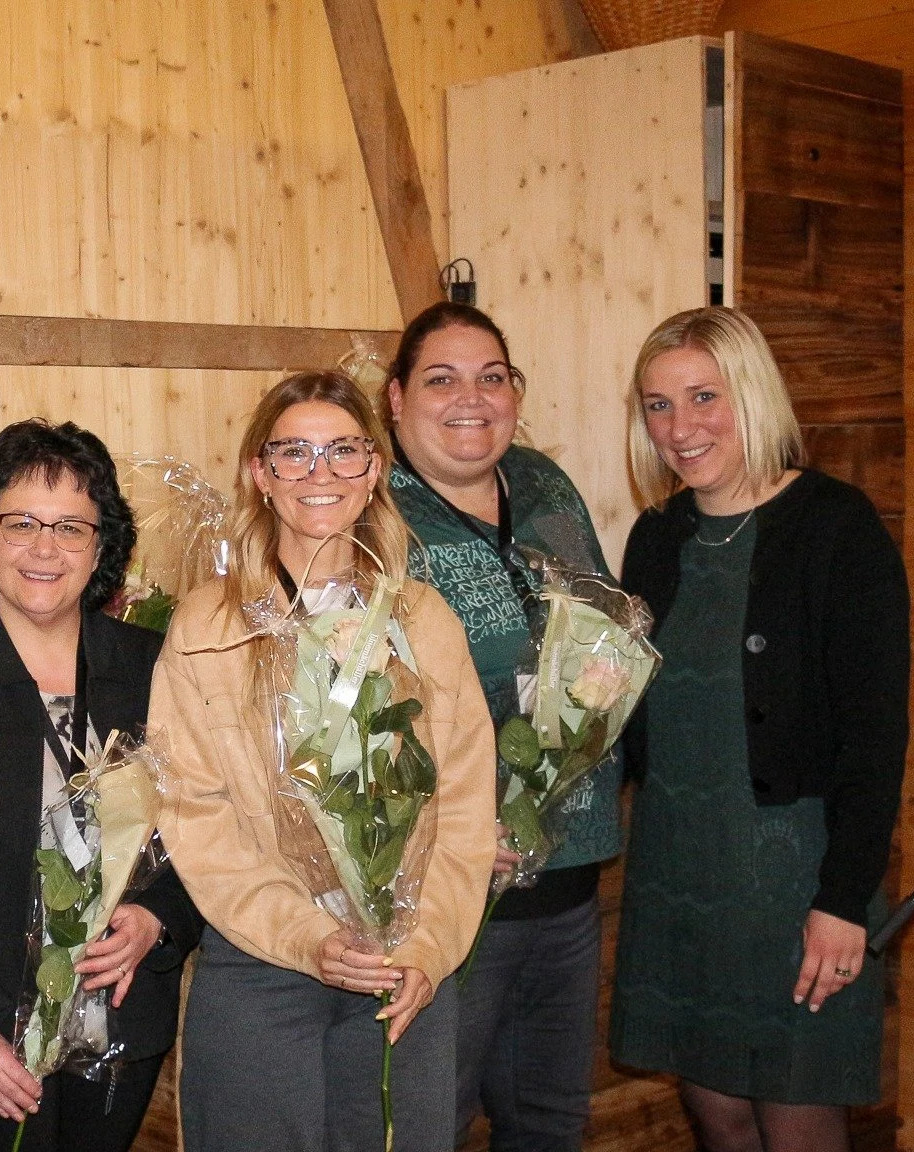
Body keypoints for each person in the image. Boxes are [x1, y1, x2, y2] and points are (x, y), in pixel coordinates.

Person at [151, 369, 498, 1152]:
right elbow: (193, 811)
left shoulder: (424, 621)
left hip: (402, 967)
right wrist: (306, 935)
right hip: (263, 962)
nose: (321, 473)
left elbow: (466, 804)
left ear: (374, 470)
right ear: (260, 473)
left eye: (344, 450)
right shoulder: (209, 626)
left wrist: (430, 945)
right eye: (294, 453)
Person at [610, 307, 907, 1152]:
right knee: (719, 1115)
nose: (681, 428)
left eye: (705, 396)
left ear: (753, 393)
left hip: (794, 879)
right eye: (659, 405)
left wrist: (841, 901)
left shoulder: (836, 527)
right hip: (680, 869)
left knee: (796, 1111)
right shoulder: (656, 537)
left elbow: (875, 737)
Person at [0, 420, 203, 1151]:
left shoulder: (156, 667)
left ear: (101, 546)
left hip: (120, 1016)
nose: (44, 548)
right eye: (21, 522)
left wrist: (158, 919)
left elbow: (205, 824)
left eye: (70, 527)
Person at [381, 302, 618, 1150]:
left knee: (549, 1123)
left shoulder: (546, 484)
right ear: (396, 398)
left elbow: (604, 633)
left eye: (492, 377)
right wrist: (446, 824)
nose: (471, 399)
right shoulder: (373, 513)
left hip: (569, 883)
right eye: (441, 379)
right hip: (448, 900)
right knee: (427, 1124)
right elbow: (345, 710)